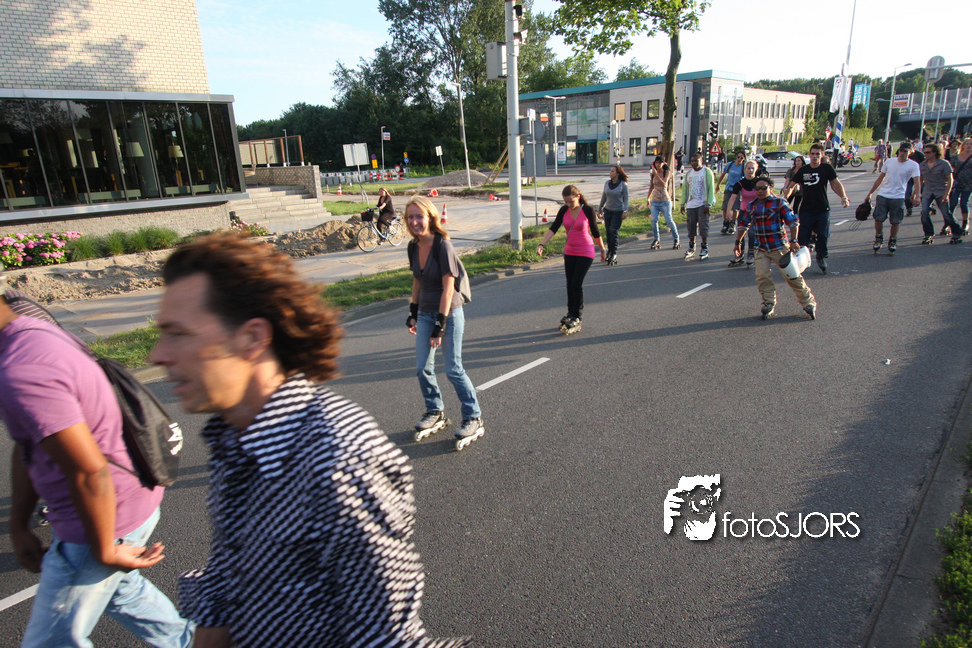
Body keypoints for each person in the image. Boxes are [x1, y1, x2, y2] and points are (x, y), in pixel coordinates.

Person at [149, 232, 469, 647]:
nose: (157, 354)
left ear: (251, 338)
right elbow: (227, 581)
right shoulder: (233, 437)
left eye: (178, 334)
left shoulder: (337, 459)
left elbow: (385, 638)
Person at [0, 283, 193, 648]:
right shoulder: (32, 332)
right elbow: (32, 443)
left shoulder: (23, 371)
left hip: (100, 519)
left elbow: (89, 471)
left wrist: (104, 547)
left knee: (51, 641)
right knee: (123, 592)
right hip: (126, 497)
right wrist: (18, 523)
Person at [405, 196, 484, 447]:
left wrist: (440, 325)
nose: (414, 222)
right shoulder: (413, 246)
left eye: (419, 216)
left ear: (430, 217)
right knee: (422, 368)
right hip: (425, 312)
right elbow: (417, 280)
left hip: (449, 313)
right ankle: (435, 411)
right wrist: (413, 311)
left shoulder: (443, 246)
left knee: (453, 369)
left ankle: (473, 417)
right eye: (410, 217)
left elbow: (448, 289)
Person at [734, 176, 817, 321]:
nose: (760, 191)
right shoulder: (752, 205)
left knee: (792, 276)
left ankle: (808, 303)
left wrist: (794, 240)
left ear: (770, 188)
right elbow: (744, 224)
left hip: (779, 247)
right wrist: (738, 242)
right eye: (757, 188)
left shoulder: (779, 203)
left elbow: (792, 222)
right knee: (762, 276)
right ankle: (768, 302)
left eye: (763, 188)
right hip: (761, 248)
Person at [536, 185, 606, 335]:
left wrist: (602, 249)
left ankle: (577, 316)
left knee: (576, 283)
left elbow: (595, 231)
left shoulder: (587, 210)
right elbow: (554, 228)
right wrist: (542, 244)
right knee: (569, 284)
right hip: (570, 251)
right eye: (565, 201)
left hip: (586, 250)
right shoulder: (564, 210)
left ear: (578, 197)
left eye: (571, 201)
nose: (568, 204)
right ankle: (570, 313)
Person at [784, 142, 852, 274]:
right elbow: (792, 186)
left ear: (822, 155)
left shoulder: (826, 168)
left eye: (817, 154)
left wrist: (843, 197)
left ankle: (821, 256)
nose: (815, 156)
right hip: (806, 209)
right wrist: (785, 199)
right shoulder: (804, 170)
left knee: (823, 235)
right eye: (813, 154)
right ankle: (801, 260)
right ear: (809, 155)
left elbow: (836, 184)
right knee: (803, 237)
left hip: (822, 208)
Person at [864, 142, 922, 254]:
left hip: (898, 196)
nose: (903, 153)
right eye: (901, 151)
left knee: (895, 221)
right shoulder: (889, 162)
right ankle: (879, 237)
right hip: (883, 194)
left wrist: (917, 195)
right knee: (878, 218)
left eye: (905, 151)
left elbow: (917, 181)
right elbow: (880, 178)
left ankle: (893, 240)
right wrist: (870, 193)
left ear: (910, 152)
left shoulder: (913, 165)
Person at [919, 142, 963, 244]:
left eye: (928, 152)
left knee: (946, 213)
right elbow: (920, 179)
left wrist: (946, 194)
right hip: (928, 191)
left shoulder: (944, 163)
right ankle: (928, 233)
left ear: (935, 153)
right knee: (924, 212)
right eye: (925, 152)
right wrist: (917, 193)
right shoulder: (923, 165)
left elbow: (950, 179)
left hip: (941, 191)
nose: (926, 154)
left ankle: (957, 232)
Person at [679, 153, 716, 261]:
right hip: (691, 204)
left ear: (701, 161)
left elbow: (711, 188)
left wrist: (708, 203)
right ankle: (691, 247)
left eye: (696, 161)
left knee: (703, 226)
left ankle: (704, 247)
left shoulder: (706, 172)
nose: (694, 163)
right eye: (692, 161)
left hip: (702, 203)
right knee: (691, 226)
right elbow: (685, 189)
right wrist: (682, 203)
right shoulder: (689, 173)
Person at [726, 160, 763, 267]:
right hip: (744, 211)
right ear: (745, 170)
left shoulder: (759, 183)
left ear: (756, 169)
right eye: (748, 168)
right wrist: (728, 210)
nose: (750, 170)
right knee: (741, 233)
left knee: (752, 233)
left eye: (752, 168)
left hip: (756, 212)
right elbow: (733, 198)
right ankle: (739, 254)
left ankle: (751, 254)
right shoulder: (740, 183)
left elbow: (768, 194)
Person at [597, 164, 629, 265]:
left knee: (613, 232)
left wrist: (625, 211)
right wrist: (600, 208)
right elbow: (604, 196)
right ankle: (609, 251)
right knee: (608, 233)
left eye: (612, 171)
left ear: (618, 173)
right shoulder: (607, 183)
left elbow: (626, 199)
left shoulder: (623, 185)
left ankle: (614, 253)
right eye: (610, 171)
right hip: (608, 211)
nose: (610, 173)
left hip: (618, 211)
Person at [646, 156, 680, 250]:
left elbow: (664, 184)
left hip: (665, 200)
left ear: (663, 163)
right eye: (656, 163)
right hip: (655, 201)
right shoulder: (653, 173)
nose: (658, 164)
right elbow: (651, 185)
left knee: (669, 220)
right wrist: (648, 198)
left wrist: (656, 174)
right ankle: (656, 239)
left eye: (660, 163)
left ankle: (676, 238)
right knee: (654, 220)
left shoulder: (667, 172)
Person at [716, 151, 747, 235]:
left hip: (737, 189)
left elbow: (745, 178)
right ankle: (726, 223)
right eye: (738, 157)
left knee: (735, 208)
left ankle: (732, 224)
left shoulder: (743, 167)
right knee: (725, 207)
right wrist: (718, 185)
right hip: (729, 188)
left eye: (741, 158)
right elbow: (723, 174)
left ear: (744, 159)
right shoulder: (730, 164)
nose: (739, 159)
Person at [948, 138, 972, 236]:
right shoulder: (955, 157)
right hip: (956, 183)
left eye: (971, 144)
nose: (969, 145)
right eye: (967, 144)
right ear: (963, 145)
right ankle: (950, 223)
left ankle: (965, 223)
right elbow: (950, 170)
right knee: (952, 204)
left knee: (963, 203)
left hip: (969, 184)